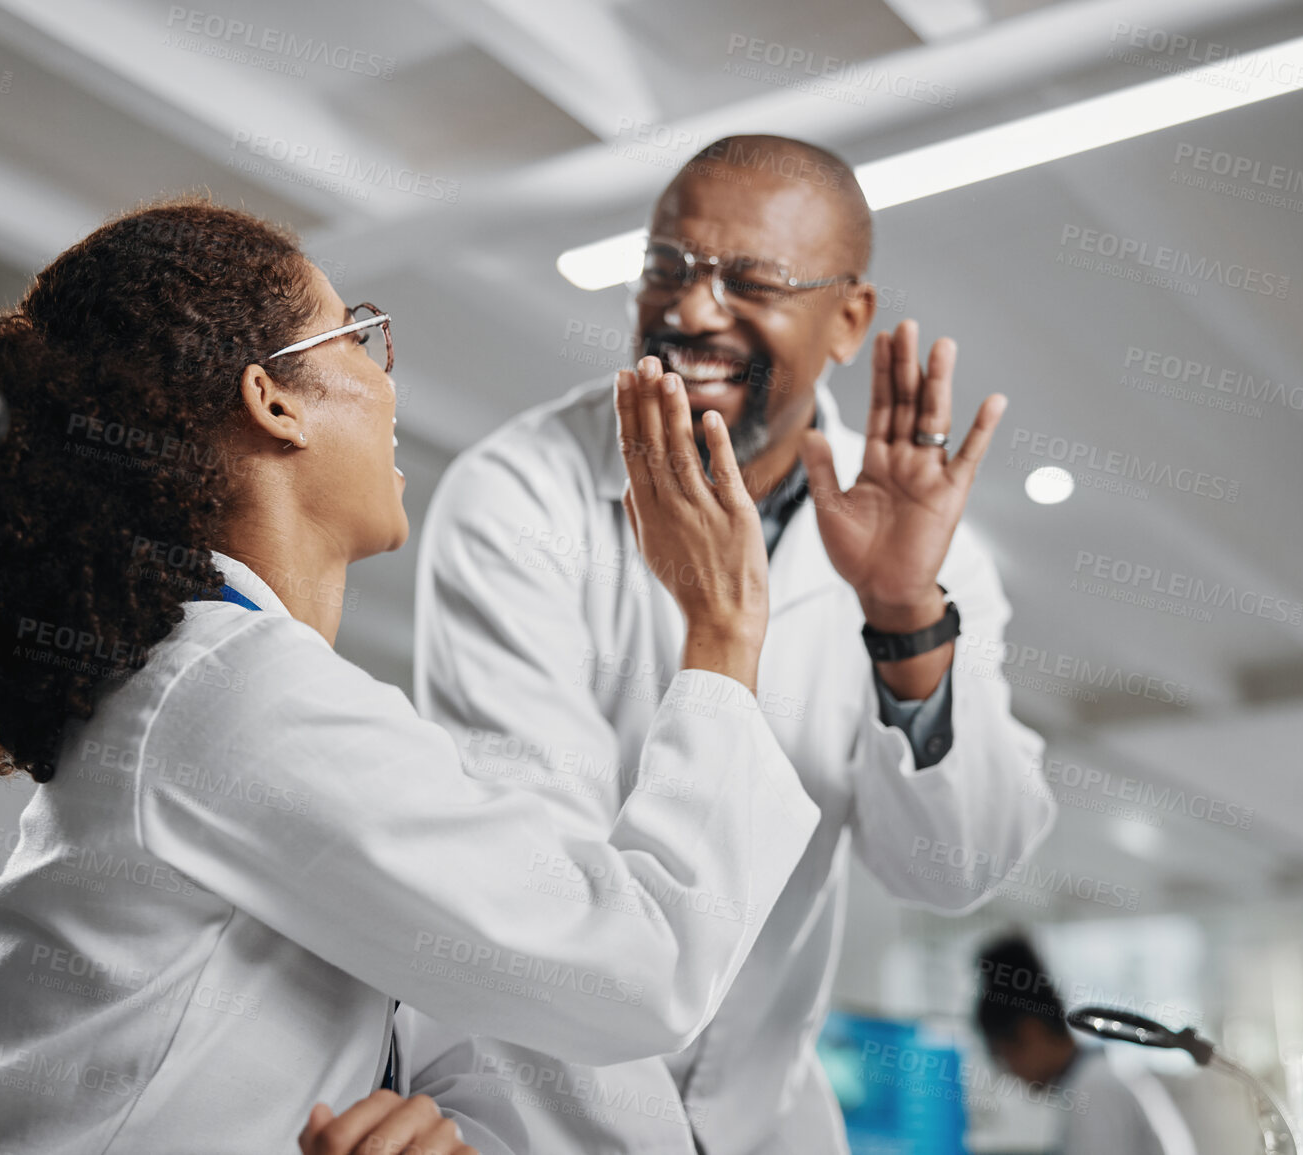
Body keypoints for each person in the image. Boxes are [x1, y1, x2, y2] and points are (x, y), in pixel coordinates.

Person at [0, 196, 823, 1155]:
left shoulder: (220, 690)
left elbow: (509, 1021)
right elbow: (641, 968)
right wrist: (725, 628)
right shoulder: (232, 691)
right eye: (360, 338)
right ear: (272, 400)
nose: (390, 385)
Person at [393, 134, 1056, 1155]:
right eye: (667, 267)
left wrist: (902, 618)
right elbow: (541, 885)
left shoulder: (927, 553)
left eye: (751, 281)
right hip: (547, 1118)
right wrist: (722, 636)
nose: (693, 311)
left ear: (849, 319)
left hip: (766, 1118)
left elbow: (953, 867)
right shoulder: (518, 490)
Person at [976, 935, 1196, 1155]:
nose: (1011, 1073)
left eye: (1005, 1057)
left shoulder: (1094, 1089)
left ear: (1031, 1032)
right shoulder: (1099, 1073)